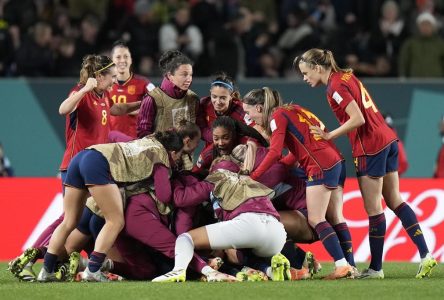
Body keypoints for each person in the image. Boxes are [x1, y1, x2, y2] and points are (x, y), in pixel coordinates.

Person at [296, 48, 437, 279]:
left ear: (318, 68)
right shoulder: (347, 76)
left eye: (305, 72)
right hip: (388, 138)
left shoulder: (335, 87)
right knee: (395, 200)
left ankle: (376, 269)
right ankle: (426, 255)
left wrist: (330, 135)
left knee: (374, 210)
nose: (304, 78)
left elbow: (358, 118)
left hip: (369, 147)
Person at [36, 130, 185, 282]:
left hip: (82, 156)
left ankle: (46, 271)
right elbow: (164, 195)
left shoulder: (145, 140)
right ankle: (93, 270)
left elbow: (113, 134)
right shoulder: (162, 158)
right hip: (98, 165)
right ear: (172, 152)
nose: (178, 159)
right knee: (115, 221)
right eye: (179, 155)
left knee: (68, 221)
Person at [242, 87, 355, 280]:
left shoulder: (277, 117)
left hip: (320, 165)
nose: (249, 116)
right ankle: (351, 266)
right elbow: (296, 149)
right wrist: (284, 166)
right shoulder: (293, 109)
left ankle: (341, 266)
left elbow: (275, 152)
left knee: (316, 219)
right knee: (336, 218)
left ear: (259, 108)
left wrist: (254, 176)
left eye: (248, 111)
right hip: (336, 161)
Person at [152, 158, 288, 282]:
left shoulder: (218, 177)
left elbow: (182, 198)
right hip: (278, 233)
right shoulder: (249, 180)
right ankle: (270, 271)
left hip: (248, 224)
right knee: (246, 253)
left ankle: (177, 271)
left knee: (185, 238)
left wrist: (175, 178)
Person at [137, 50, 200, 138]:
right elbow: (143, 135)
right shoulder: (151, 99)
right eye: (184, 74)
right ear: (170, 75)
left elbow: (196, 131)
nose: (189, 79)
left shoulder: (193, 98)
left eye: (190, 75)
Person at [109, 40, 153, 138]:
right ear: (112, 60)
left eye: (126, 56)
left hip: (134, 142)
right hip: (109, 143)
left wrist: (142, 110)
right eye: (118, 57)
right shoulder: (105, 84)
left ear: (131, 59)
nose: (122, 60)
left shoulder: (143, 83)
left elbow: (159, 100)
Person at [198, 72, 251, 145]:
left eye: (223, 98)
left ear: (231, 96)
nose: (218, 102)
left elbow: (253, 133)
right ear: (210, 93)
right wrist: (217, 138)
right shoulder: (204, 104)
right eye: (214, 96)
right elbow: (200, 128)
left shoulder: (242, 110)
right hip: (212, 150)